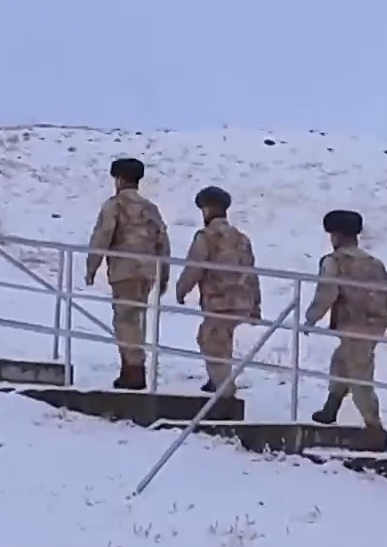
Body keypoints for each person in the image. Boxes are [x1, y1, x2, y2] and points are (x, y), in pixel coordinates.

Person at [303, 209, 387, 433]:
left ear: (336, 236)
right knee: (341, 362)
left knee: (360, 375)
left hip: (352, 324)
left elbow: (327, 291)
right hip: (375, 324)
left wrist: (311, 317)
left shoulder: (335, 261)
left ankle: (374, 425)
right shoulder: (375, 263)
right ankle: (330, 409)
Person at [84, 157, 170, 390]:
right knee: (136, 318)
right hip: (148, 272)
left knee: (126, 319)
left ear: (119, 179)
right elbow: (163, 242)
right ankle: (133, 367)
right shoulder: (151, 208)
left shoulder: (114, 205)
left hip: (124, 270)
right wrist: (163, 275)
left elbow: (103, 235)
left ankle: (133, 371)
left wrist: (92, 267)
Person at [175, 186, 262, 394]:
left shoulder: (206, 237)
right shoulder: (241, 238)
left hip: (218, 302)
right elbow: (251, 272)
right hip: (242, 300)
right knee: (222, 342)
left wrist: (181, 290)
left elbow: (194, 267)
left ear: (206, 209)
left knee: (210, 340)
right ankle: (217, 381)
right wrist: (255, 305)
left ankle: (224, 391)